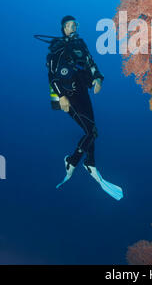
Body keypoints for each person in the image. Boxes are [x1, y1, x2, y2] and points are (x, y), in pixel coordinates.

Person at [47, 16, 123, 200]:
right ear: (63, 28)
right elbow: (51, 76)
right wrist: (61, 97)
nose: (72, 27)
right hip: (68, 96)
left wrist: (98, 79)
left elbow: (90, 63)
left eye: (74, 24)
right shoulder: (56, 47)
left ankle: (88, 163)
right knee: (92, 132)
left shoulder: (80, 45)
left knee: (92, 130)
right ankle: (74, 162)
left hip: (82, 92)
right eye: (68, 25)